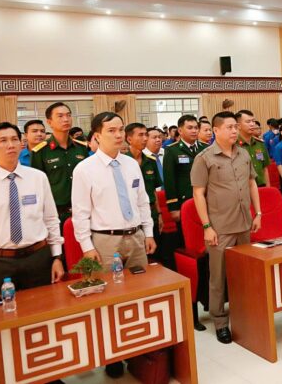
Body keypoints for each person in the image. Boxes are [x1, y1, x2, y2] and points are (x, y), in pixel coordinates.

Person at [71, 112, 155, 379]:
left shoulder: (131, 164)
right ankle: (112, 356)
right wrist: (87, 246)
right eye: (111, 131)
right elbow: (80, 213)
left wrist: (148, 232)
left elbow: (142, 201)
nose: (119, 135)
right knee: (108, 300)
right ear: (97, 135)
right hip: (105, 241)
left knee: (139, 295)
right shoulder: (85, 169)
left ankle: (138, 347)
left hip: (136, 237)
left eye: (121, 129)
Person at [0, 122, 64, 300]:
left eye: (14, 139)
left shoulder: (38, 178)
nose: (10, 145)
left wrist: (57, 257)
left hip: (38, 259)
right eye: (3, 141)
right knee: (2, 313)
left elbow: (51, 219)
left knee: (43, 309)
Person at [191, 111, 262, 344]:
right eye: (229, 127)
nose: (234, 131)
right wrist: (207, 226)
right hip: (220, 227)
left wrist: (258, 213)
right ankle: (221, 322)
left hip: (244, 223)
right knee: (218, 277)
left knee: (244, 273)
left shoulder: (243, 154)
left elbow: (252, 183)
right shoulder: (204, 158)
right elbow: (198, 194)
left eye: (235, 127)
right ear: (216, 130)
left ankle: (244, 313)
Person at [31, 102, 89, 226]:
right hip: (56, 214)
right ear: (49, 122)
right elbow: (37, 186)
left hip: (83, 211)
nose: (66, 119)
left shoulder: (81, 148)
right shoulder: (41, 151)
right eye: (60, 116)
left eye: (68, 115)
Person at [125, 123, 167, 268]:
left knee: (154, 254)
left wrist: (159, 213)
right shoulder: (123, 162)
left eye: (146, 135)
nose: (145, 138)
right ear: (129, 139)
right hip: (132, 217)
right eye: (141, 135)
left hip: (150, 213)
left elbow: (153, 190)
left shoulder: (150, 161)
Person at [163, 114, 204, 221]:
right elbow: (169, 180)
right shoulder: (172, 150)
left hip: (206, 199)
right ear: (180, 131)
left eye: (196, 128)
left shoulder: (205, 148)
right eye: (190, 128)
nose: (194, 131)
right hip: (184, 201)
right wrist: (173, 207)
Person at [236, 110, 271, 187]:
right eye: (248, 122)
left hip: (261, 186)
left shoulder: (260, 144)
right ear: (238, 126)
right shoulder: (234, 145)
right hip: (244, 188)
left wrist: (268, 187)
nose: (252, 124)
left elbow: (264, 168)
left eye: (253, 121)